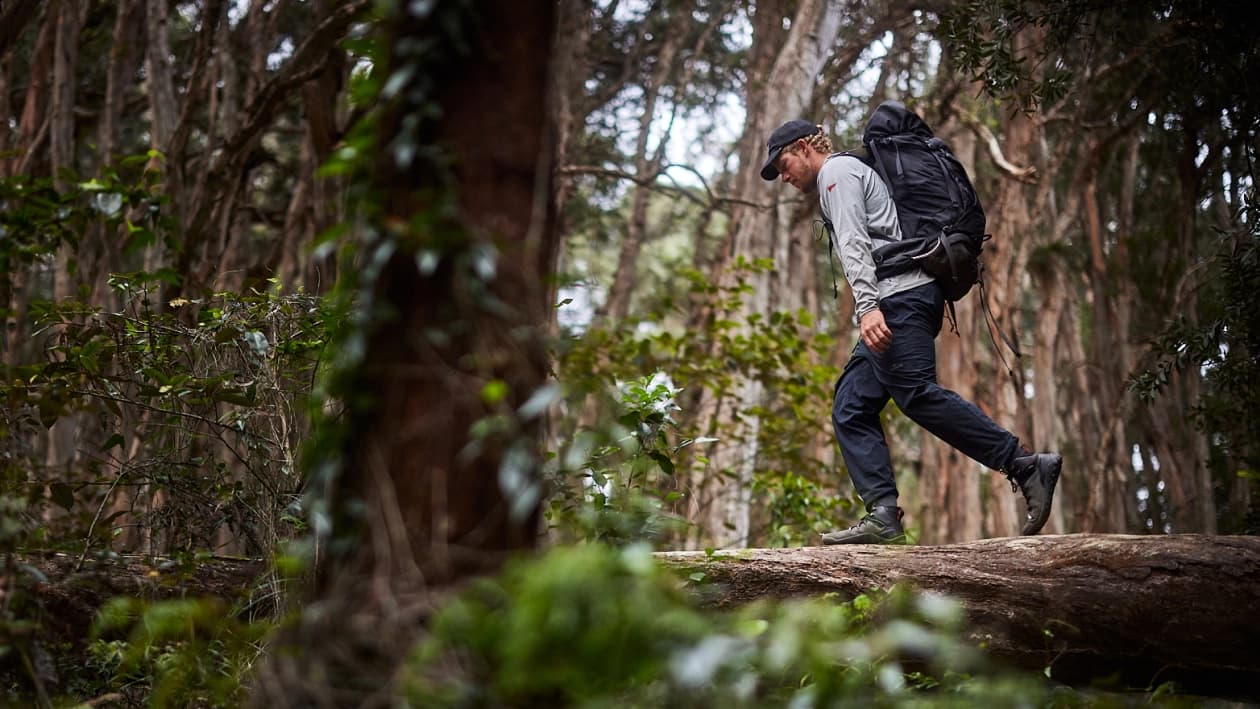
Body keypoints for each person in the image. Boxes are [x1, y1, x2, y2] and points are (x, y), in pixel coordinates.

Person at [759, 118, 1062, 544]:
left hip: (897, 299)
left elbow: (855, 244)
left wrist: (867, 308)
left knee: (916, 393)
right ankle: (883, 513)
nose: (784, 176)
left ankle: (1024, 464)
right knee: (851, 405)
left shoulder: (836, 173)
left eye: (784, 164)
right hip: (902, 296)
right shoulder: (847, 171)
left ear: (805, 147)